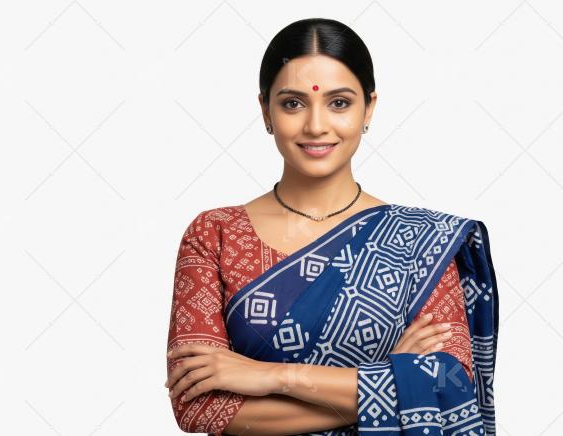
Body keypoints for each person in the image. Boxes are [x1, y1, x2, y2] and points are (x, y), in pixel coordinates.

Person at [164, 17, 499, 435]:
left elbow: (447, 387)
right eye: (293, 103)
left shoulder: (422, 242)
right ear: (265, 110)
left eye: (339, 103)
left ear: (368, 108)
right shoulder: (215, 234)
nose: (316, 125)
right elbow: (198, 408)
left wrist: (271, 376)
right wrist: (390, 384)